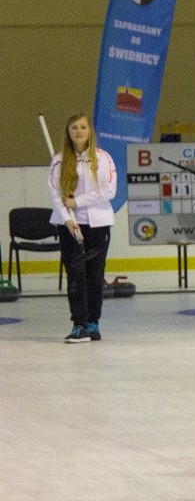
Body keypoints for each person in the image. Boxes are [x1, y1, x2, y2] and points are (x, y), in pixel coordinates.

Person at [48, 113, 116, 343]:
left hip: (98, 224)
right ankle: (79, 325)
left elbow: (108, 191)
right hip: (69, 226)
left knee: (95, 275)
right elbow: (57, 195)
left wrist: (77, 202)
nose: (78, 131)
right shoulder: (59, 160)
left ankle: (93, 322)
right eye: (74, 127)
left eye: (83, 127)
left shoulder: (103, 158)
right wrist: (68, 218)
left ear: (90, 131)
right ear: (68, 132)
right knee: (75, 276)